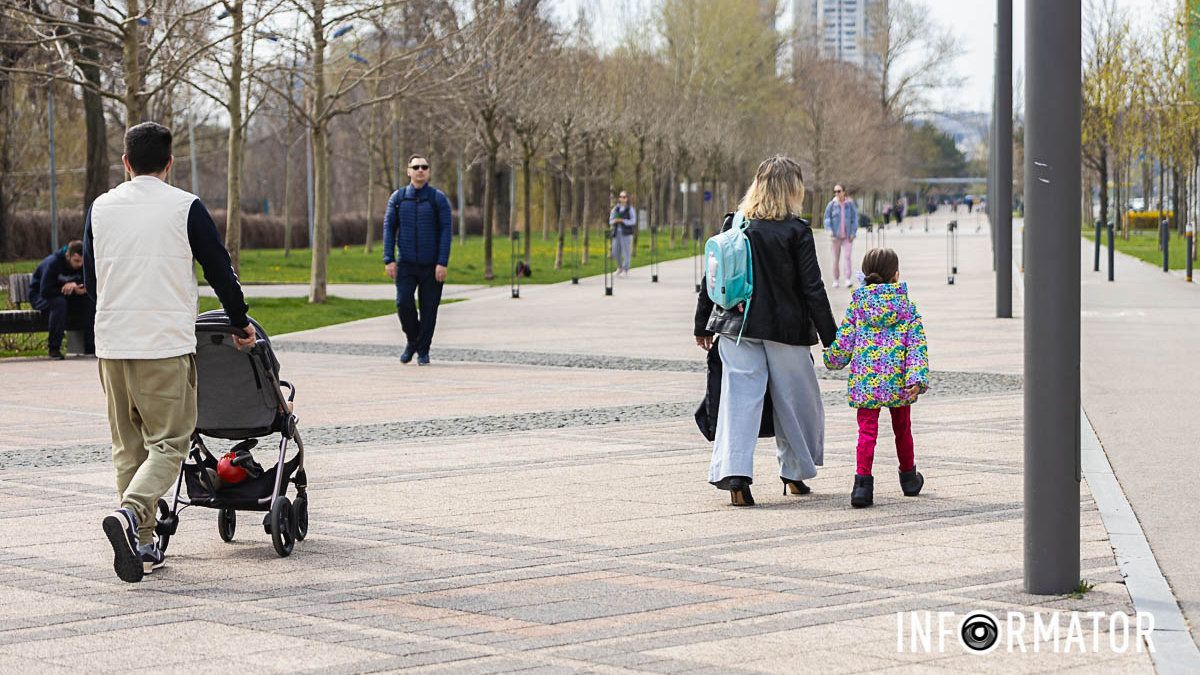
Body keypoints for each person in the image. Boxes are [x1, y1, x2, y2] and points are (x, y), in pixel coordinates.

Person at [84, 122, 254, 582]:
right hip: (162, 344)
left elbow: (95, 282)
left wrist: (98, 332)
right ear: (170, 163)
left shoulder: (100, 208)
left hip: (113, 344)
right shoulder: (185, 207)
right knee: (170, 443)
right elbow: (220, 268)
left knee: (127, 448)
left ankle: (142, 546)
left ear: (125, 162)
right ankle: (130, 513)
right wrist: (239, 321)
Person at [694, 156, 837, 506]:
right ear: (793, 189)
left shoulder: (737, 224)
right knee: (797, 403)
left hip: (736, 328)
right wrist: (834, 339)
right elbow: (812, 288)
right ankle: (793, 473)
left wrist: (702, 324)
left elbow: (711, 279)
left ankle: (735, 475)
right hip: (785, 332)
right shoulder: (796, 231)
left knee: (738, 401)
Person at [823, 248, 929, 508]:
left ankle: (862, 485)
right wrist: (916, 378)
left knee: (866, 432)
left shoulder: (858, 305)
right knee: (902, 430)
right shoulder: (905, 306)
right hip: (898, 382)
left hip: (866, 383)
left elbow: (844, 343)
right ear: (896, 275)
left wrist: (831, 358)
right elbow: (916, 345)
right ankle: (908, 478)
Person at [382, 154, 453, 366]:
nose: (420, 170)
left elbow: (446, 231)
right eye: (416, 167)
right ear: (409, 171)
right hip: (406, 264)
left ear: (429, 171)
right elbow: (388, 228)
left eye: (424, 167)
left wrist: (442, 262)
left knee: (429, 309)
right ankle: (413, 341)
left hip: (432, 266)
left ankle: (423, 351)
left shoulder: (438, 199)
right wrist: (389, 259)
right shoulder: (398, 198)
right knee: (403, 303)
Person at [29, 240, 94, 359]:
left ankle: (91, 346)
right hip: (41, 296)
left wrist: (79, 287)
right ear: (68, 256)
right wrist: (63, 289)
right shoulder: (53, 263)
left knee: (89, 301)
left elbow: (86, 282)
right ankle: (54, 348)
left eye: (82, 262)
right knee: (59, 304)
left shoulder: (83, 264)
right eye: (76, 261)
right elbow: (45, 290)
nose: (79, 265)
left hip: (66, 296)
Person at [822, 184, 858, 289]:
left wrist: (853, 233)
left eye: (839, 191)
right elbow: (827, 219)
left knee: (847, 257)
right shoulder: (831, 205)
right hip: (835, 237)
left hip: (847, 236)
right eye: (835, 191)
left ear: (844, 192)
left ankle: (847, 279)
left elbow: (854, 219)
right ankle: (836, 280)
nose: (837, 193)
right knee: (835, 259)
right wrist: (829, 230)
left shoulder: (850, 204)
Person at [608, 191, 636, 276]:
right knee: (615, 251)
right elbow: (610, 220)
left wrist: (623, 221)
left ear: (627, 199)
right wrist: (615, 221)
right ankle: (620, 267)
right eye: (621, 197)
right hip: (617, 233)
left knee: (626, 252)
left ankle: (625, 269)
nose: (622, 199)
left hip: (626, 234)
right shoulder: (616, 208)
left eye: (624, 197)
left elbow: (633, 221)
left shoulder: (630, 209)